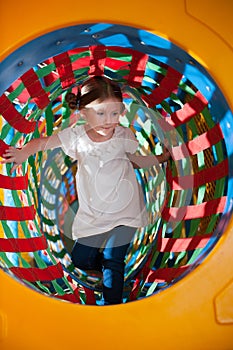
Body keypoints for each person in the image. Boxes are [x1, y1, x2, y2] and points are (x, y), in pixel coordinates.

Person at [1, 76, 170, 305]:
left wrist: (160, 158)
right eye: (100, 113)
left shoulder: (123, 136)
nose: (109, 121)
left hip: (125, 212)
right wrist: (23, 153)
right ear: (83, 112)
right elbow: (43, 142)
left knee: (114, 259)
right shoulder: (76, 136)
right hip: (94, 214)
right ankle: (105, 273)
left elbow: (135, 161)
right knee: (81, 259)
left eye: (115, 113)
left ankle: (113, 308)